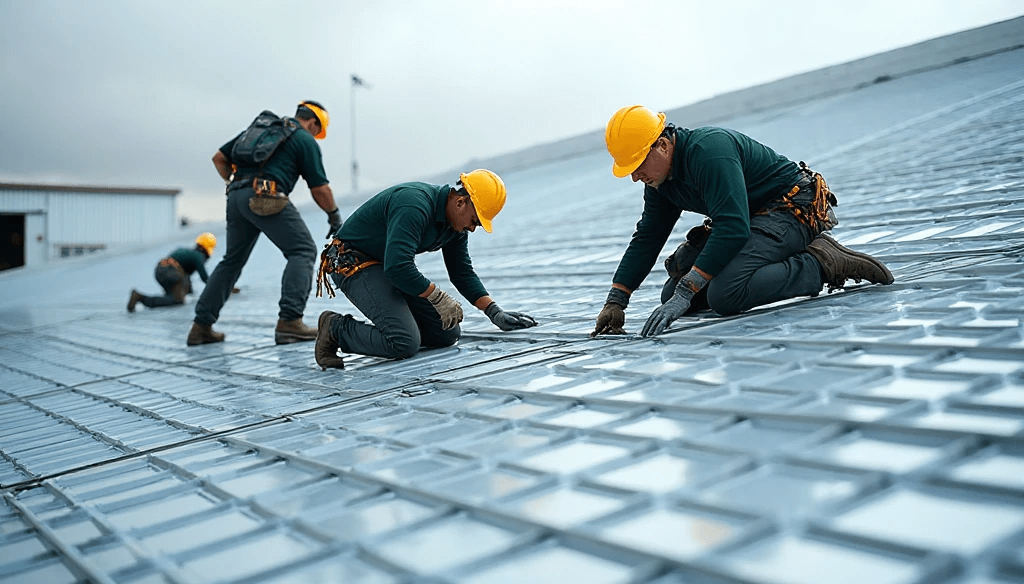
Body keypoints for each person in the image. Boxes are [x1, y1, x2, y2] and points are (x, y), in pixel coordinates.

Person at [592, 105, 894, 338]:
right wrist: (617, 300)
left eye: (638, 164)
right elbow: (649, 236)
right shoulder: (660, 181)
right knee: (670, 296)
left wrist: (689, 288)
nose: (634, 176)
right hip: (749, 218)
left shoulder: (708, 152)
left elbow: (733, 227)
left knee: (726, 294)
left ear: (662, 145)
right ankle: (775, 257)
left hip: (790, 209)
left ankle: (821, 262)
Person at [313, 169, 537, 369]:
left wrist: (494, 312)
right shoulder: (414, 205)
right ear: (461, 202)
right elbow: (398, 266)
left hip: (384, 265)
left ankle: (402, 326)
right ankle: (336, 329)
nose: (472, 228)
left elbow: (461, 272)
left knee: (446, 333)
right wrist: (437, 297)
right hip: (351, 263)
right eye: (475, 221)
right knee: (403, 342)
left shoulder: (455, 227)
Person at [187, 100, 342, 346]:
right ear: (313, 123)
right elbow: (319, 188)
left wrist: (237, 183)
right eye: (317, 131)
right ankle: (290, 322)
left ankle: (200, 327)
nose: (315, 135)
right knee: (302, 250)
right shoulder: (303, 139)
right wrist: (334, 215)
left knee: (232, 261)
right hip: (266, 197)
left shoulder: (261, 130)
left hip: (236, 197)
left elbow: (219, 158)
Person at [128, 233, 216, 311]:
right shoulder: (198, 256)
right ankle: (140, 297)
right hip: (171, 273)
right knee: (177, 300)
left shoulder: (185, 251)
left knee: (173, 296)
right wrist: (218, 289)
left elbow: (185, 276)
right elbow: (204, 276)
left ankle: (142, 298)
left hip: (159, 271)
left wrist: (189, 292)